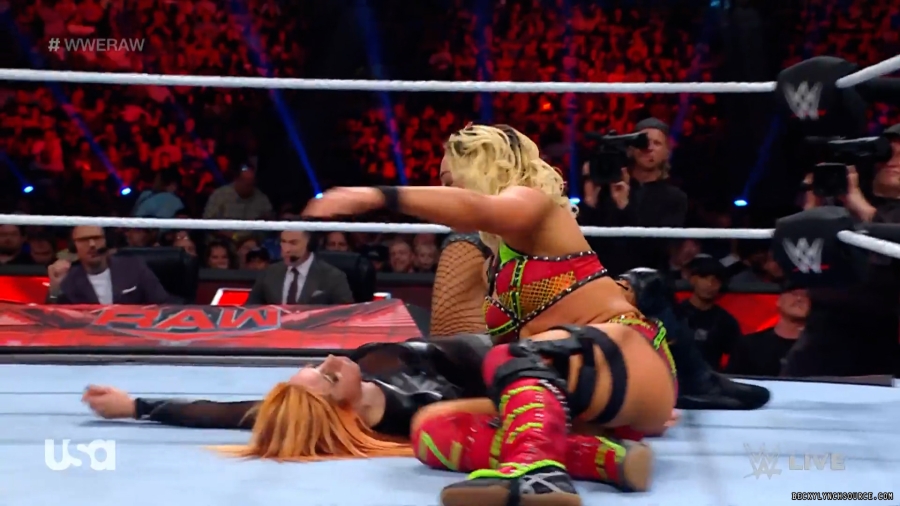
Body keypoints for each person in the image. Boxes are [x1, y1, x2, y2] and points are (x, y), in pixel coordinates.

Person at [304, 124, 679, 506]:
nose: (444, 193)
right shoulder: (494, 265)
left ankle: (537, 472)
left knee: (516, 357)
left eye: (449, 182)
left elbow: (479, 208)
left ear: (480, 168)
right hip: (573, 391)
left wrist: (377, 195)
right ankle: (605, 458)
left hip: (631, 354)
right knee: (432, 428)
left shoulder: (535, 204)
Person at [84, 334, 663, 491]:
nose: (332, 359)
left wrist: (136, 404)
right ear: (337, 408)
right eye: (326, 375)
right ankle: (597, 453)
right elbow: (506, 392)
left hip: (524, 349)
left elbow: (221, 412)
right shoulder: (413, 420)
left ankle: (595, 448)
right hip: (540, 379)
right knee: (437, 431)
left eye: (319, 363)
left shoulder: (364, 370)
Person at [46, 226, 171, 305]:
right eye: (84, 240)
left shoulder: (134, 267)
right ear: (74, 247)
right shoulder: (68, 278)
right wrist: (54, 289)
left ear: (106, 241)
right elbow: (52, 321)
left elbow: (163, 304)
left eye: (97, 238)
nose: (92, 244)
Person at [246, 230, 354, 305]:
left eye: (293, 243)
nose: (286, 249)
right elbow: (250, 310)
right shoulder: (269, 273)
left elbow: (345, 316)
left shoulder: (334, 277)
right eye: (283, 242)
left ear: (309, 244)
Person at [727, 286, 808, 377]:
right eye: (793, 293)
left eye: (806, 295)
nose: (799, 298)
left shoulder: (820, 349)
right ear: (778, 300)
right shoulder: (748, 345)